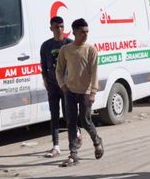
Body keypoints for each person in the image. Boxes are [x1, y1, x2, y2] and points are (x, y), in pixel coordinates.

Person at [55, 18, 104, 167]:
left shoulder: (90, 50)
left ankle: (97, 141)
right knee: (71, 122)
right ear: (75, 32)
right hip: (69, 91)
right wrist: (62, 85)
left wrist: (93, 92)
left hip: (86, 92)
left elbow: (95, 72)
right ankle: (73, 154)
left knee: (85, 120)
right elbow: (59, 70)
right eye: (82, 32)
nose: (85, 35)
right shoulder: (66, 49)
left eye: (87, 32)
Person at [40, 16, 73, 158]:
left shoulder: (69, 44)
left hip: (66, 86)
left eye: (61, 26)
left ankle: (75, 134)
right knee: (54, 115)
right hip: (53, 85)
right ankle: (56, 146)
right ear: (51, 29)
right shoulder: (46, 46)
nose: (59, 29)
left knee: (67, 114)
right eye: (56, 27)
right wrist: (45, 80)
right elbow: (43, 65)